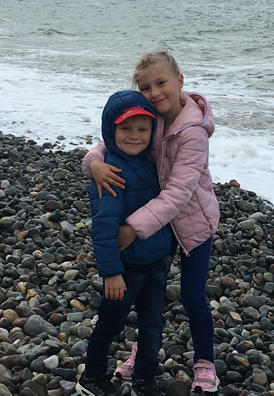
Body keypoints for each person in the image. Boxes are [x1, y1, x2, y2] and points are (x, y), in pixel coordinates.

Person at [82, 52, 220, 393]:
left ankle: (204, 361)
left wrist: (133, 228)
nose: (155, 92)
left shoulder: (192, 133)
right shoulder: (149, 118)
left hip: (191, 224)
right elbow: (108, 142)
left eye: (162, 83)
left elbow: (178, 192)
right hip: (159, 225)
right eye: (146, 87)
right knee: (150, 299)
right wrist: (92, 165)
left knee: (191, 296)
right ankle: (142, 356)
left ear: (179, 82)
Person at [77, 90, 174, 396]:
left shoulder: (151, 166)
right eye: (125, 129)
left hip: (155, 265)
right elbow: (103, 230)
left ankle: (144, 380)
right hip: (125, 269)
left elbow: (164, 211)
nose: (135, 136)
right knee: (109, 324)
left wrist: (167, 252)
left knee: (152, 327)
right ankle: (91, 378)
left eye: (143, 129)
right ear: (110, 130)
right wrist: (111, 273)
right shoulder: (109, 173)